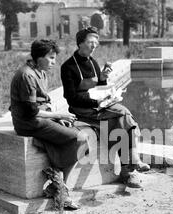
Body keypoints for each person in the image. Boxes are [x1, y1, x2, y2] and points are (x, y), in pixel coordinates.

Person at [60, 27, 150, 188]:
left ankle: (128, 169)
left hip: (99, 106)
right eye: (90, 42)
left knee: (122, 119)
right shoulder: (68, 67)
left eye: (96, 43)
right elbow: (71, 97)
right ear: (80, 43)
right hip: (82, 109)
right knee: (123, 113)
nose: (93, 46)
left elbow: (98, 89)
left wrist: (103, 79)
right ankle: (131, 164)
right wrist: (97, 102)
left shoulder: (93, 63)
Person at [10, 39, 86, 210]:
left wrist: (57, 118)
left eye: (54, 58)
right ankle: (60, 186)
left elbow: (44, 102)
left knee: (79, 132)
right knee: (80, 139)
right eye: (51, 58)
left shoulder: (40, 72)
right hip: (28, 123)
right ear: (39, 57)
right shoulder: (26, 75)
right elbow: (31, 110)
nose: (54, 62)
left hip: (41, 119)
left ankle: (57, 185)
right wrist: (58, 114)